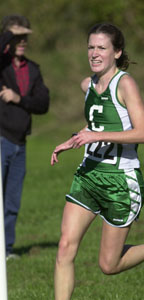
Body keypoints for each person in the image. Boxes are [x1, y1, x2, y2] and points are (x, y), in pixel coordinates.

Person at [51, 23, 144, 300]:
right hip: (88, 176)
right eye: (91, 47)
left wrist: (94, 135)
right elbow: (95, 125)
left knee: (109, 265)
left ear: (117, 52)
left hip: (120, 182)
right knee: (64, 248)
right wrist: (73, 140)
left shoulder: (125, 84)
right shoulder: (87, 84)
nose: (94, 53)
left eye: (102, 48)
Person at [0, 14, 50, 260]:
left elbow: (43, 103)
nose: (22, 40)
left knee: (12, 203)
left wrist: (19, 99)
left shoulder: (33, 68)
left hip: (21, 144)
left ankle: (6, 249)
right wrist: (9, 33)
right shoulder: (2, 65)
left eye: (25, 36)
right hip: (1, 139)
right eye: (17, 36)